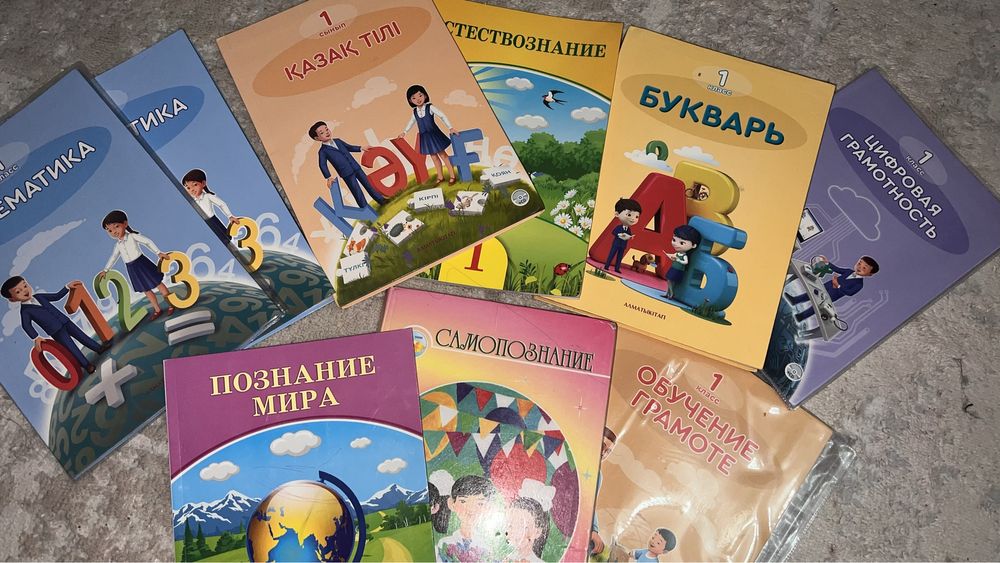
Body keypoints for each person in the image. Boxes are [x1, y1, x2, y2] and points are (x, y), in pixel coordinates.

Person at [2, 276, 110, 374]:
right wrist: (36, 337)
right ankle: (87, 365)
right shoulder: (25, 311)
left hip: (64, 321)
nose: (25, 291)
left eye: (25, 286)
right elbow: (26, 326)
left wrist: (67, 287)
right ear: (12, 299)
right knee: (71, 347)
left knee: (81, 336)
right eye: (18, 291)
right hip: (56, 331)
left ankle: (98, 348)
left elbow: (56, 296)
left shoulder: (39, 296)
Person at [98, 210, 174, 320]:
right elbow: (113, 257)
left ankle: (171, 303)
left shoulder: (132, 236)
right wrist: (106, 270)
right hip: (132, 268)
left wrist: (158, 253)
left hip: (142, 263)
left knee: (158, 283)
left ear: (125, 223)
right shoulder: (118, 245)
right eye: (109, 230)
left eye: (116, 227)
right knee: (146, 290)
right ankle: (157, 309)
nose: (114, 232)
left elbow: (147, 242)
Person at [309, 121, 385, 208]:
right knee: (356, 191)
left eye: (327, 129)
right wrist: (328, 177)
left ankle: (380, 199)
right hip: (346, 173)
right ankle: (366, 209)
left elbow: (349, 147)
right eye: (322, 133)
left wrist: (361, 148)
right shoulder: (323, 151)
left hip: (355, 167)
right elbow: (322, 164)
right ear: (317, 138)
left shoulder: (338, 141)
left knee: (368, 184)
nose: (326, 132)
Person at [785, 255, 879, 322]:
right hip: (827, 286)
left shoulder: (859, 284)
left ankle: (801, 316)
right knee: (811, 293)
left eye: (864, 268)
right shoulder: (848, 271)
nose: (859, 267)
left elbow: (849, 293)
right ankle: (795, 300)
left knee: (818, 305)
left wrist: (838, 285)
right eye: (859, 263)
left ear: (870, 274)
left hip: (833, 295)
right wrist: (827, 263)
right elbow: (837, 269)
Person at [398, 85, 458, 186]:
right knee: (434, 157)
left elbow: (442, 115)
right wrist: (404, 132)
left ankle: (452, 176)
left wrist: (450, 127)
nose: (418, 99)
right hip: (425, 137)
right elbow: (411, 122)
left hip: (434, 134)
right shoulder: (415, 112)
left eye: (420, 95)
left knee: (443, 155)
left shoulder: (430, 107)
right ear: (410, 100)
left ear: (425, 95)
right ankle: (440, 177)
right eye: (414, 98)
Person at [437, 475, 497, 562]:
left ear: (489, 507)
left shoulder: (489, 544)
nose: (471, 508)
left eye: (480, 503)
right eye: (463, 501)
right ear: (451, 503)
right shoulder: (445, 543)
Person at [181, 168, 241, 241]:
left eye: (195, 185)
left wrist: (230, 216)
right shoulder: (193, 202)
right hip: (203, 225)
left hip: (213, 221)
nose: (192, 189)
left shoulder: (207, 196)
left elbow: (221, 204)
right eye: (188, 188)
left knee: (226, 238)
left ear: (203, 183)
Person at [590, 427, 618, 556]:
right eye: (602, 446)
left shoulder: (597, 475)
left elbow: (590, 504)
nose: (603, 453)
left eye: (608, 451)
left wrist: (594, 529)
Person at [661, 225, 702, 300]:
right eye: (674, 240)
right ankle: (667, 293)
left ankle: (671, 293)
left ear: (693, 245)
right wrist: (671, 257)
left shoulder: (684, 255)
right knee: (669, 280)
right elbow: (673, 257)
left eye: (682, 243)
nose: (676, 244)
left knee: (670, 280)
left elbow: (685, 262)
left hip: (678, 270)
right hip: (673, 268)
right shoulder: (677, 253)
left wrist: (678, 260)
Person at [603, 199, 642, 273]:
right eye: (629, 215)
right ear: (617, 214)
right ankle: (607, 266)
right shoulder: (619, 227)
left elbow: (629, 235)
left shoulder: (628, 229)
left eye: (637, 217)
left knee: (619, 257)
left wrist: (630, 236)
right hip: (616, 244)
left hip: (623, 245)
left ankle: (617, 268)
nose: (633, 219)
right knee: (611, 255)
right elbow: (614, 232)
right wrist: (619, 235)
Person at [505, 497, 549, 562]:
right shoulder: (507, 560)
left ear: (537, 532)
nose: (512, 530)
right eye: (510, 525)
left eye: (520, 525)